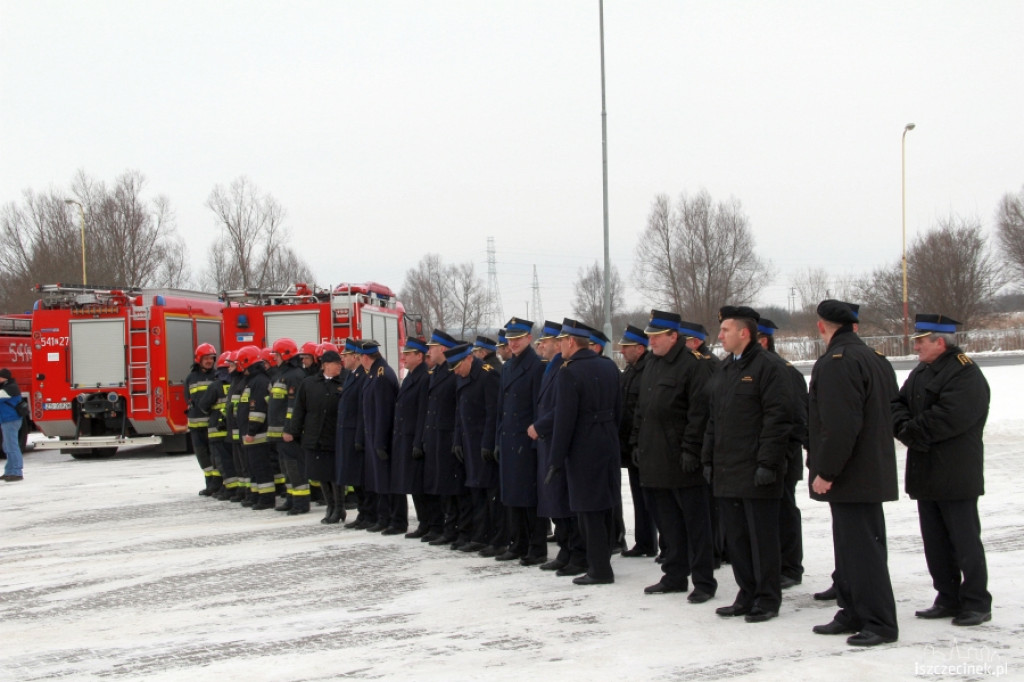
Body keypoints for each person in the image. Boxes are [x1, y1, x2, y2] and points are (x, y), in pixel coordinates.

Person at [808, 299, 900, 647]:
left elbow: (840, 425)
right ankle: (852, 611)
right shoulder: (873, 358)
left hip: (851, 474)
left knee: (861, 551)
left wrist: (826, 471)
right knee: (853, 549)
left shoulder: (838, 362)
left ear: (822, 326)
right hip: (868, 470)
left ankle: (879, 622)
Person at [893, 314, 992, 627]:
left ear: (940, 341)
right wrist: (903, 426)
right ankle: (947, 597)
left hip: (956, 472)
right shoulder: (923, 370)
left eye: (921, 341)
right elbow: (897, 403)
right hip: (926, 472)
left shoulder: (965, 373)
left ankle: (976, 602)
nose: (916, 346)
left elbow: (949, 417)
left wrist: (910, 432)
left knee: (964, 541)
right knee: (935, 542)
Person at [703, 306, 792, 623]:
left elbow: (777, 419)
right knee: (737, 539)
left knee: (761, 539)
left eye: (726, 330)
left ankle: (767, 598)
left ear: (745, 333)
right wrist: (708, 458)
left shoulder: (767, 367)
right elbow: (715, 418)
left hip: (756, 471)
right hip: (728, 469)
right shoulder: (726, 368)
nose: (721, 335)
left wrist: (767, 463)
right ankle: (747, 593)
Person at [632, 310, 716, 602]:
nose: (651, 341)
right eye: (650, 336)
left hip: (682, 460)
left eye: (656, 336)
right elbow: (642, 410)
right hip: (655, 458)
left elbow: (699, 414)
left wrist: (692, 451)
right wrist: (636, 443)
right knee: (668, 524)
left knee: (696, 524)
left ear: (673, 336)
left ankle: (704, 581)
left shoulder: (693, 366)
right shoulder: (652, 365)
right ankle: (675, 575)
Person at [546, 319, 623, 585]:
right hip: (608, 441)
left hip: (583, 447)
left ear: (570, 342)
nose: (559, 347)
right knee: (605, 506)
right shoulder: (609, 365)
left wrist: (555, 458)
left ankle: (599, 569)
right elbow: (619, 408)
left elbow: (564, 419)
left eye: (561, 342)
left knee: (589, 510)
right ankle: (602, 564)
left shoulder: (569, 372)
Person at [529, 321, 586, 575]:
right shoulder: (551, 368)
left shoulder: (565, 368)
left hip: (557, 440)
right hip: (548, 442)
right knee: (554, 499)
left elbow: (561, 409)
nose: (540, 345)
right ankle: (565, 550)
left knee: (564, 500)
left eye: (547, 341)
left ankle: (574, 551)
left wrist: (540, 425)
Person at [756, 318, 809, 590]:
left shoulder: (786, 373)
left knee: (785, 512)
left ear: (763, 340)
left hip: (783, 459)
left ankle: (790, 566)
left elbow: (798, 420)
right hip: (760, 457)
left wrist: (782, 455)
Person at [496, 316, 548, 566]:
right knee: (512, 496)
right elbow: (502, 408)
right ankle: (517, 543)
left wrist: (535, 442)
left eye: (518, 339)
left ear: (529, 338)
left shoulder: (536, 366)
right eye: (510, 339)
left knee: (529, 497)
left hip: (526, 442)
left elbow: (539, 407)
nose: (513, 343)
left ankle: (536, 547)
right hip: (508, 439)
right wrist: (498, 437)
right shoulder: (507, 367)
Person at [449, 343, 502, 553]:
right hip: (468, 443)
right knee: (476, 492)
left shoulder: (488, 376)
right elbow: (459, 413)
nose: (456, 372)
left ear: (469, 358)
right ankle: (479, 536)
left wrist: (488, 443)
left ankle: (497, 539)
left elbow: (493, 412)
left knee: (491, 494)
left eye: (458, 366)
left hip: (483, 444)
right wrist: (456, 440)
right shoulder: (462, 376)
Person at [421, 329, 469, 546]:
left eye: (432, 347)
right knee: (441, 485)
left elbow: (458, 407)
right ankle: (446, 527)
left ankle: (456, 528)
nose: (428, 352)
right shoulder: (439, 372)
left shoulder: (452, 372)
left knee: (452, 486)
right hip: (436, 436)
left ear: (443, 349)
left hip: (448, 436)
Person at [286, 349, 345, 523]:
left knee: (335, 475)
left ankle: (339, 507)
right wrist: (294, 431)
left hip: (334, 437)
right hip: (314, 437)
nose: (339, 367)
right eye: (336, 364)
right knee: (321, 474)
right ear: (325, 365)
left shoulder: (344, 382)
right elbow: (299, 410)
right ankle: (330, 505)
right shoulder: (309, 384)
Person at [392, 337, 440, 539]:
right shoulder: (411, 377)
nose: (404, 358)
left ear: (419, 356)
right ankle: (424, 523)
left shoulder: (424, 378)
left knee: (421, 485)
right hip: (404, 437)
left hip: (415, 438)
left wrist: (418, 441)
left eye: (408, 354)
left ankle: (431, 523)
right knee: (413, 485)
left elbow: (423, 412)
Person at [617, 324, 658, 559]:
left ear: (640, 349)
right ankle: (644, 542)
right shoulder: (630, 371)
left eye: (626, 347)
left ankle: (656, 543)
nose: (622, 351)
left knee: (651, 498)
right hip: (630, 444)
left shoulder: (648, 371)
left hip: (644, 444)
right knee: (638, 496)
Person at [360, 339, 404, 534]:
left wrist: (380, 441)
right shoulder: (374, 374)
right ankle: (384, 517)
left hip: (382, 439)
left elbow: (384, 412)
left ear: (365, 357)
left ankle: (396, 520)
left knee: (388, 481)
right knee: (379, 480)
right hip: (373, 437)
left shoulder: (382, 375)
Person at [269, 338, 311, 515]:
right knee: (286, 467)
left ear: (285, 355)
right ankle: (291, 498)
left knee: (295, 467)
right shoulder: (281, 374)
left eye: (277, 355)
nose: (275, 358)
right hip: (280, 432)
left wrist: (290, 430)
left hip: (289, 433)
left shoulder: (295, 376)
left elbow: (294, 408)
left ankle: (301, 503)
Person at [185, 343, 221, 496]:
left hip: (211, 424)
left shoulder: (217, 376)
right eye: (206, 358)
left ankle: (217, 485)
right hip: (195, 425)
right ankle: (209, 484)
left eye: (211, 358)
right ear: (199, 359)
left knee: (215, 455)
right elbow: (188, 398)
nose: (209, 361)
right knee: (202, 456)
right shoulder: (191, 378)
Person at [0, 368, 26, 482]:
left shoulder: (9, 388)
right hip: (8, 420)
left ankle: (16, 471)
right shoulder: (7, 387)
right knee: (7, 446)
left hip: (10, 420)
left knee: (11, 446)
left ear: (4, 378)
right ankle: (9, 471)